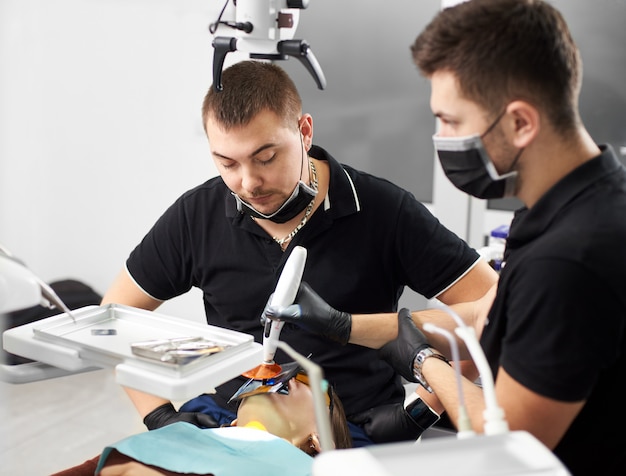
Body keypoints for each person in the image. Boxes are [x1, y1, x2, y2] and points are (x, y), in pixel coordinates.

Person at [269, 0, 626, 473]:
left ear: (521, 122)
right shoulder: (577, 204)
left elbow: (512, 450)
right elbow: (486, 320)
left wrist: (423, 365)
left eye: (451, 122)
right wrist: (345, 325)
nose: (439, 137)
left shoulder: (567, 260)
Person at [101, 59, 498, 446]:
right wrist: (162, 418)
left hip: (353, 427)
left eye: (266, 157)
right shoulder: (196, 215)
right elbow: (111, 319)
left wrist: (422, 409)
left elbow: (495, 313)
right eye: (227, 163)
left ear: (304, 131)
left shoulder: (383, 211)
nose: (249, 182)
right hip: (231, 418)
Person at [53, 363, 352, 476]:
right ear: (233, 422)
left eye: (303, 380)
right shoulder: (174, 438)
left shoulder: (310, 470)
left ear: (318, 441)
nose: (284, 376)